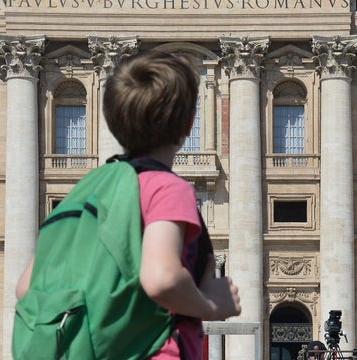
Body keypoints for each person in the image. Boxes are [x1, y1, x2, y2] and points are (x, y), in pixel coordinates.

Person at [15, 51, 241, 359]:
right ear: (189, 124)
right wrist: (211, 304)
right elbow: (161, 279)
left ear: (112, 122)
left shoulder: (85, 190)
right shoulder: (166, 188)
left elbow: (27, 288)